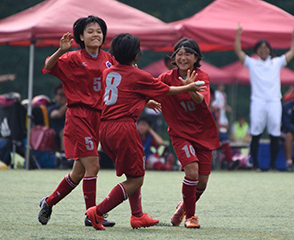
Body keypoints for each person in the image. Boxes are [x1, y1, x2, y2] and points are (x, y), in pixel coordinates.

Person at [85, 33, 205, 230]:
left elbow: (124, 92)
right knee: (136, 178)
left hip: (104, 128)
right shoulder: (139, 75)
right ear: (136, 55)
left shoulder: (108, 73)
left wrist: (143, 100)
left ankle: (137, 216)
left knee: (135, 171)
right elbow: (166, 90)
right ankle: (97, 212)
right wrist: (189, 87)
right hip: (123, 128)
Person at [38, 15, 117, 228]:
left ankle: (49, 201)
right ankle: (92, 216)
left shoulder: (109, 58)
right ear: (80, 36)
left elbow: (124, 80)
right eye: (90, 31)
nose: (95, 34)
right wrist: (61, 50)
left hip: (98, 118)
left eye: (99, 30)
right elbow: (47, 66)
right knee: (94, 166)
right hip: (79, 116)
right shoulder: (72, 57)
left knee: (78, 172)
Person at [156, 38, 220, 228]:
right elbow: (148, 89)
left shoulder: (203, 76)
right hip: (179, 133)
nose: (183, 57)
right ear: (173, 57)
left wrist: (192, 88)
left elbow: (202, 100)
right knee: (192, 172)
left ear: (196, 57)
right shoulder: (166, 77)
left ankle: (184, 206)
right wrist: (147, 101)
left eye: (188, 54)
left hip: (203, 134)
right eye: (179, 54)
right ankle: (191, 217)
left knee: (202, 183)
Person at [235, 23, 294, 171]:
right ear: (256, 50)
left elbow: (293, 51)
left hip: (274, 100)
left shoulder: (276, 62)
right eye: (260, 48)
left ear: (270, 50)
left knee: (274, 132)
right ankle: (255, 164)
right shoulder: (252, 63)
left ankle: (272, 165)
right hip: (258, 101)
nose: (263, 50)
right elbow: (238, 51)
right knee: (256, 132)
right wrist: (238, 34)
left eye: (266, 48)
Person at [211, 84, 234, 169]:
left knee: (224, 138)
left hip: (214, 130)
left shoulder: (223, 95)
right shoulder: (208, 107)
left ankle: (229, 161)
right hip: (205, 133)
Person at [47, 84, 67, 156]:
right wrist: (69, 103)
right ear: (55, 96)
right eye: (61, 94)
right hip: (56, 134)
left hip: (73, 132)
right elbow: (57, 114)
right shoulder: (52, 108)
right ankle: (63, 156)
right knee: (65, 131)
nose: (63, 97)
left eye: (65, 94)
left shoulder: (72, 108)